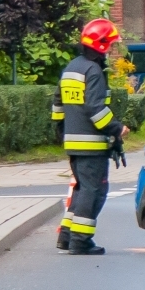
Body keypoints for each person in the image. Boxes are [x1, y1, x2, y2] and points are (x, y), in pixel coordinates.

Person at [51, 19, 127, 255]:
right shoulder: (93, 71)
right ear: (101, 45)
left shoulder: (72, 68)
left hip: (73, 143)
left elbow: (58, 104)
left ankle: (66, 236)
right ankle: (81, 240)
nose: (113, 49)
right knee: (94, 191)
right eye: (111, 44)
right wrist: (117, 128)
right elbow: (96, 109)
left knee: (82, 189)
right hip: (91, 144)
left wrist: (62, 132)